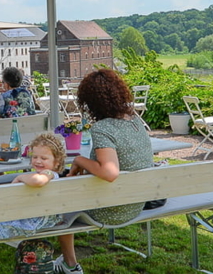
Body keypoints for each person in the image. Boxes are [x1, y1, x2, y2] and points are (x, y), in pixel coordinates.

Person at [53, 69, 153, 274]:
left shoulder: (103, 128)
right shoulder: (134, 120)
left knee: (60, 199)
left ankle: (69, 265)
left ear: (91, 102)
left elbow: (110, 172)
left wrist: (80, 159)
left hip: (110, 210)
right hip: (136, 202)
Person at [0, 132, 66, 271]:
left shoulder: (49, 174)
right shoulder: (45, 173)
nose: (38, 161)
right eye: (35, 156)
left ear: (56, 163)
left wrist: (20, 177)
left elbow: (38, 181)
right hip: (34, 213)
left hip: (37, 218)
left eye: (44, 158)